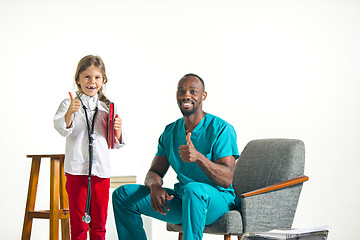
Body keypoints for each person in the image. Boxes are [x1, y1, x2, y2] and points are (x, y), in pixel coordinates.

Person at [112, 73, 239, 240]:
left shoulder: (221, 129)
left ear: (203, 96)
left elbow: (227, 179)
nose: (186, 95)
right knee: (123, 195)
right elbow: (154, 172)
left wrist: (199, 157)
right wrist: (155, 187)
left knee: (194, 189)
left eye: (193, 91)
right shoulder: (170, 132)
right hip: (183, 200)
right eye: (181, 91)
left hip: (218, 202)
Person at [54, 55, 125, 240]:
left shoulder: (108, 107)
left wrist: (118, 131)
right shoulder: (68, 104)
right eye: (86, 77)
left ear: (103, 81)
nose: (91, 82)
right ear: (77, 79)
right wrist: (71, 111)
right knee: (78, 224)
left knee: (99, 224)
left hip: (100, 172)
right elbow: (62, 129)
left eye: (96, 77)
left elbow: (114, 143)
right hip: (77, 170)